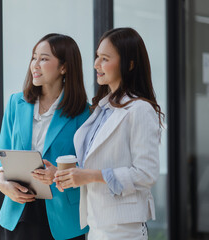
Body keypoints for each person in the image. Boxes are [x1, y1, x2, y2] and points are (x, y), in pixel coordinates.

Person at [54, 27, 164, 240]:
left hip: (124, 229)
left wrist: (90, 175)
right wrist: (67, 174)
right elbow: (97, 164)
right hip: (96, 224)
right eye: (97, 57)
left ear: (129, 64)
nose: (96, 64)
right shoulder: (103, 109)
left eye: (105, 58)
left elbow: (146, 173)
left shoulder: (140, 110)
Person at [0, 33, 90, 240]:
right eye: (34, 57)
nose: (35, 65)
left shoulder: (83, 113)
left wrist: (57, 175)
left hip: (63, 216)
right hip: (19, 210)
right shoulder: (15, 103)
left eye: (44, 59)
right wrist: (2, 182)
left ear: (64, 67)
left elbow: (88, 166)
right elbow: (1, 156)